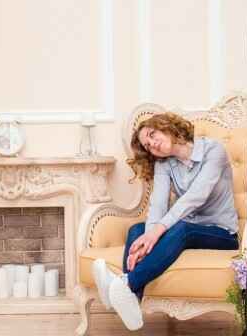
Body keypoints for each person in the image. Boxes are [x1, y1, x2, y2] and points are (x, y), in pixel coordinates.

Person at [92, 112, 239, 330]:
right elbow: (158, 204)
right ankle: (132, 299)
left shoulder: (213, 150)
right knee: (137, 230)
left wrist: (156, 232)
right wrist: (148, 236)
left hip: (221, 232)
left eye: (152, 134)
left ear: (166, 126)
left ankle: (125, 284)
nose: (153, 144)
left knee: (181, 229)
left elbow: (196, 196)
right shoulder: (165, 164)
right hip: (184, 227)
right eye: (148, 145)